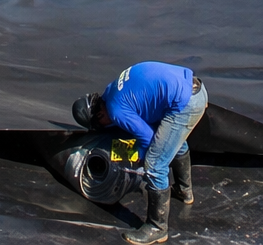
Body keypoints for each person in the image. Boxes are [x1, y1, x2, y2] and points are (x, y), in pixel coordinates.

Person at [73, 62, 207, 244]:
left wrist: (140, 157)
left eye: (99, 126)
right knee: (174, 143)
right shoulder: (110, 90)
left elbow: (147, 136)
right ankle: (184, 191)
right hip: (193, 88)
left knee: (155, 164)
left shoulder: (115, 110)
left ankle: (157, 228)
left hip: (185, 104)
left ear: (99, 116)